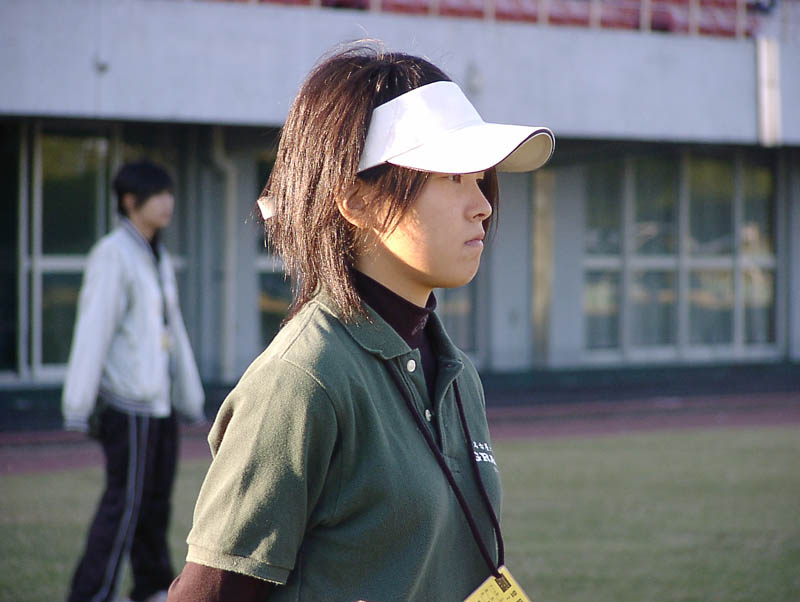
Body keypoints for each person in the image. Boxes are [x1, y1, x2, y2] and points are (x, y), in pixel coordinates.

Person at [168, 42, 554, 602]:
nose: (483, 205)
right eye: (453, 177)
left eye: (480, 178)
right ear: (357, 200)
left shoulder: (456, 374)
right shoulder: (302, 380)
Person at [62, 160, 206, 602]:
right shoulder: (113, 254)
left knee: (156, 502)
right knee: (124, 504)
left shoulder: (155, 255)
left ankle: (152, 587)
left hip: (158, 403)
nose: (168, 203)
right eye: (157, 194)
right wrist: (78, 404)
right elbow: (94, 330)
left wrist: (188, 395)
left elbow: (171, 330)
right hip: (127, 405)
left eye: (170, 193)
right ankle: (92, 593)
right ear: (129, 201)